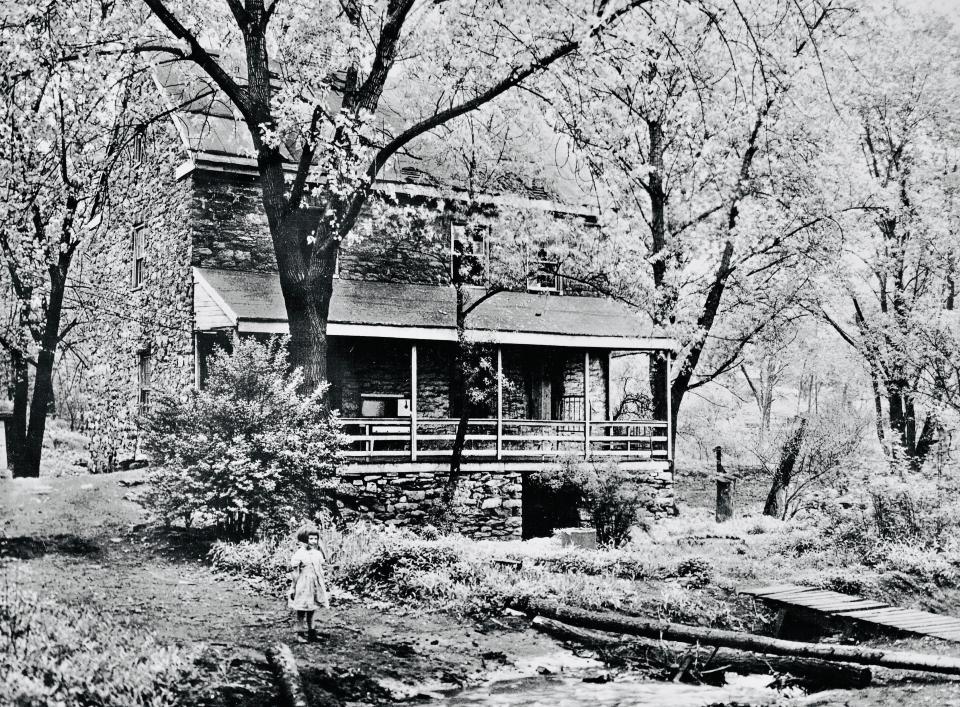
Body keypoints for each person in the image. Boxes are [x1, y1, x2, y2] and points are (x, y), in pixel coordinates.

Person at [288, 526, 329, 642]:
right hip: (303, 585)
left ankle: (312, 632)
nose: (313, 541)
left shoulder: (317, 554)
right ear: (304, 539)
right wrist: (293, 588)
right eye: (310, 539)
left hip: (315, 584)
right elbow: (295, 573)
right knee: (301, 610)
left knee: (312, 609)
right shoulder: (299, 554)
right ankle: (299, 633)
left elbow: (320, 569)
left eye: (315, 539)